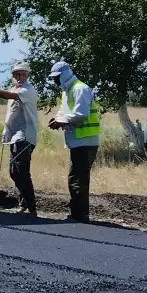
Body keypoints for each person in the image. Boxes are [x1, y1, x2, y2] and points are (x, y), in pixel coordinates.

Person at [0, 61, 40, 216]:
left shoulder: (28, 90)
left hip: (25, 137)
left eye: (23, 74)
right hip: (15, 137)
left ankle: (32, 207)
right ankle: (24, 204)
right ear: (13, 76)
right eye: (17, 74)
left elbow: (4, 94)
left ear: (28, 75)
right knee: (14, 172)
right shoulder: (16, 89)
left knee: (22, 172)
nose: (20, 77)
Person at [47, 61, 100, 223]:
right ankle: (77, 212)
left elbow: (81, 114)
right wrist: (57, 119)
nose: (55, 82)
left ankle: (80, 215)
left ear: (65, 74)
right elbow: (65, 111)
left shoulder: (80, 89)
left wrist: (61, 121)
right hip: (77, 141)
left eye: (57, 78)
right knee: (76, 178)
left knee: (79, 179)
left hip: (86, 141)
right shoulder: (68, 91)